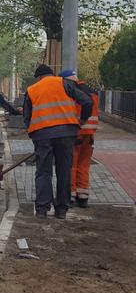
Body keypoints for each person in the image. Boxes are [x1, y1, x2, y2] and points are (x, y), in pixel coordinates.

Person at [22, 64, 93, 220]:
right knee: (64, 171)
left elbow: (27, 117)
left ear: (39, 77)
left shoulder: (32, 89)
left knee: (43, 172)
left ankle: (42, 209)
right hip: (67, 134)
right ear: (52, 74)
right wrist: (81, 121)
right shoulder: (65, 83)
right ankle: (61, 210)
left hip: (42, 136)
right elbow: (87, 102)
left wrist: (33, 134)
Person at [60, 69, 99, 208]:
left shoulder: (72, 91)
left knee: (71, 165)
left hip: (76, 133)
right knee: (84, 165)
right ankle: (83, 197)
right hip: (90, 135)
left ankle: (70, 195)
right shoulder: (92, 91)